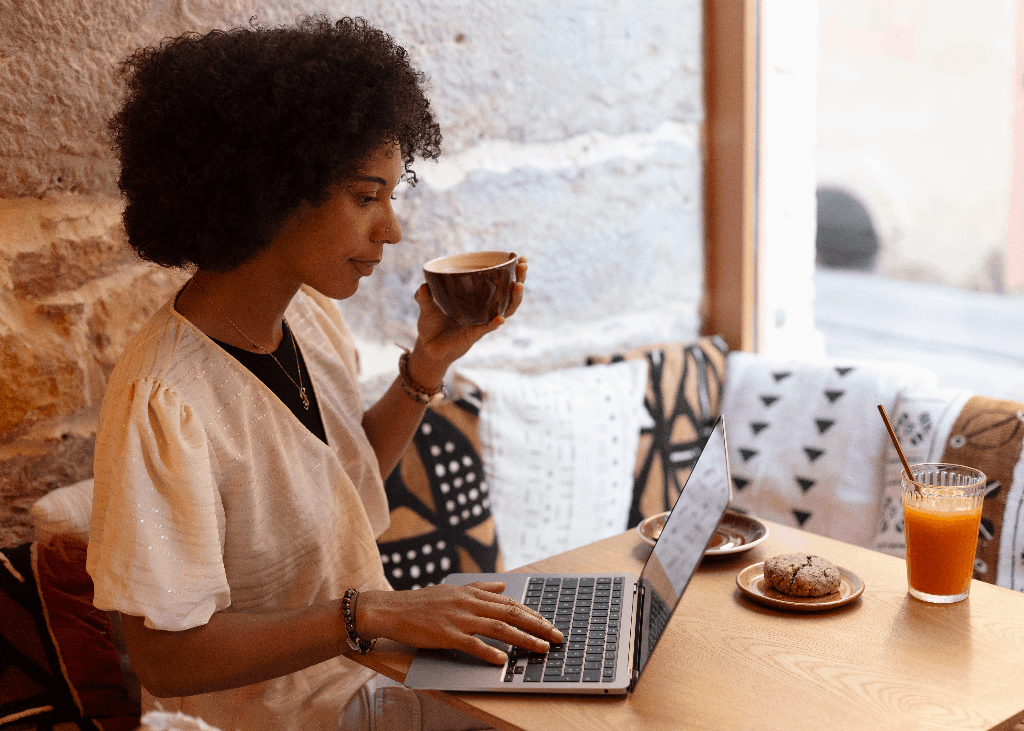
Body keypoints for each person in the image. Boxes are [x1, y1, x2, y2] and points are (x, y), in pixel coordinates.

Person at [85, 16, 561, 731]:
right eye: (367, 196)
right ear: (272, 189)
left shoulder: (308, 321)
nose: (391, 230)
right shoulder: (164, 397)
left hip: (368, 681)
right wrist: (367, 611)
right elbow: (165, 660)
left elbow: (344, 475)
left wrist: (426, 368)